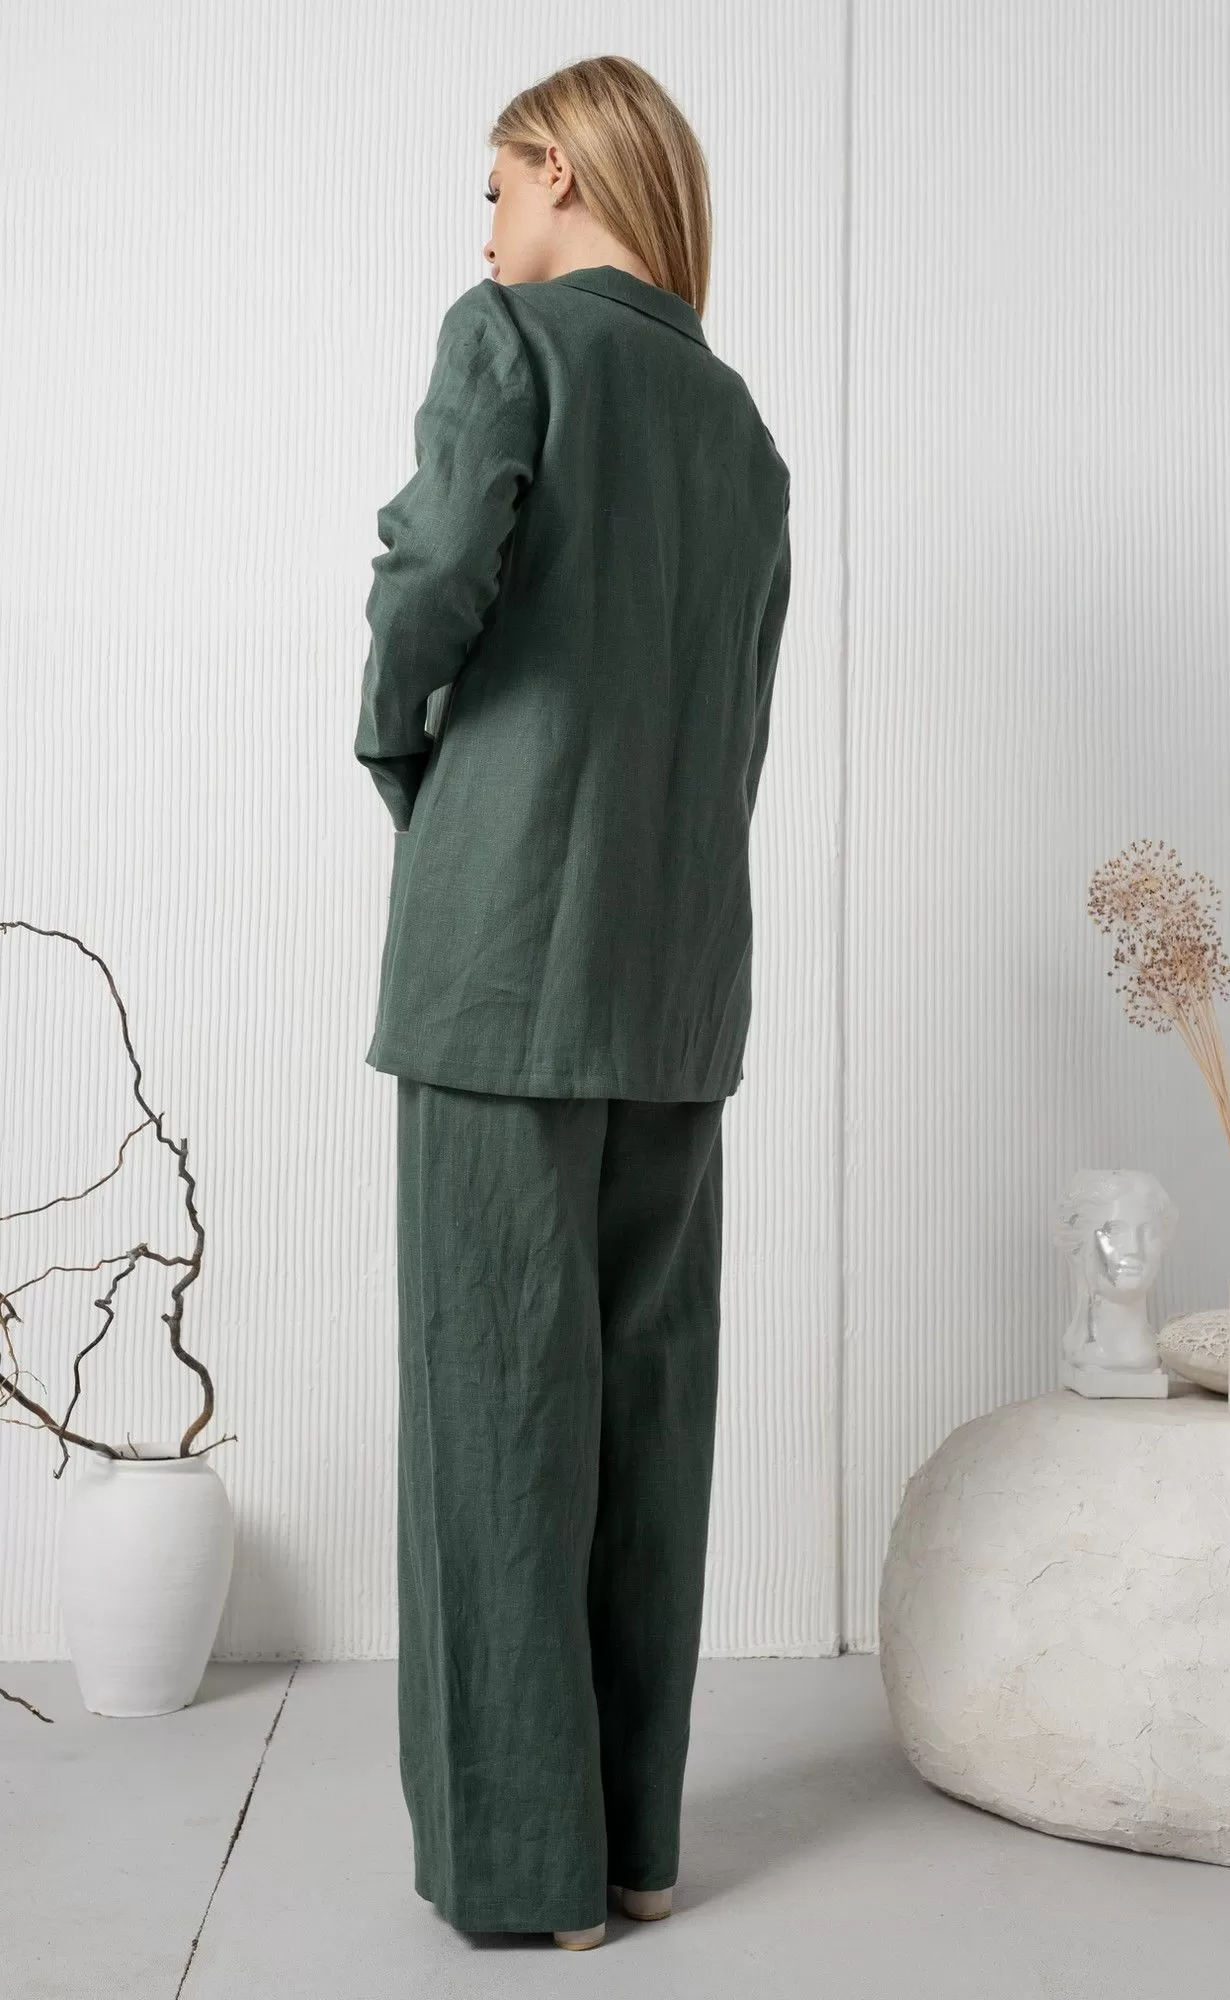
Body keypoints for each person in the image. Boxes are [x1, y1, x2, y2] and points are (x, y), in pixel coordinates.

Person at [354, 54, 791, 1952]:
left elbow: (434, 567)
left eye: (495, 186)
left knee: (493, 1414)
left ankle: (528, 1877)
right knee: (641, 1416)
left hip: (502, 953)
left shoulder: (511, 339)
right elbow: (736, 714)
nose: (487, 226)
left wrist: (403, 746)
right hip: (673, 976)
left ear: (554, 168)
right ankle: (636, 1848)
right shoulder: (738, 421)